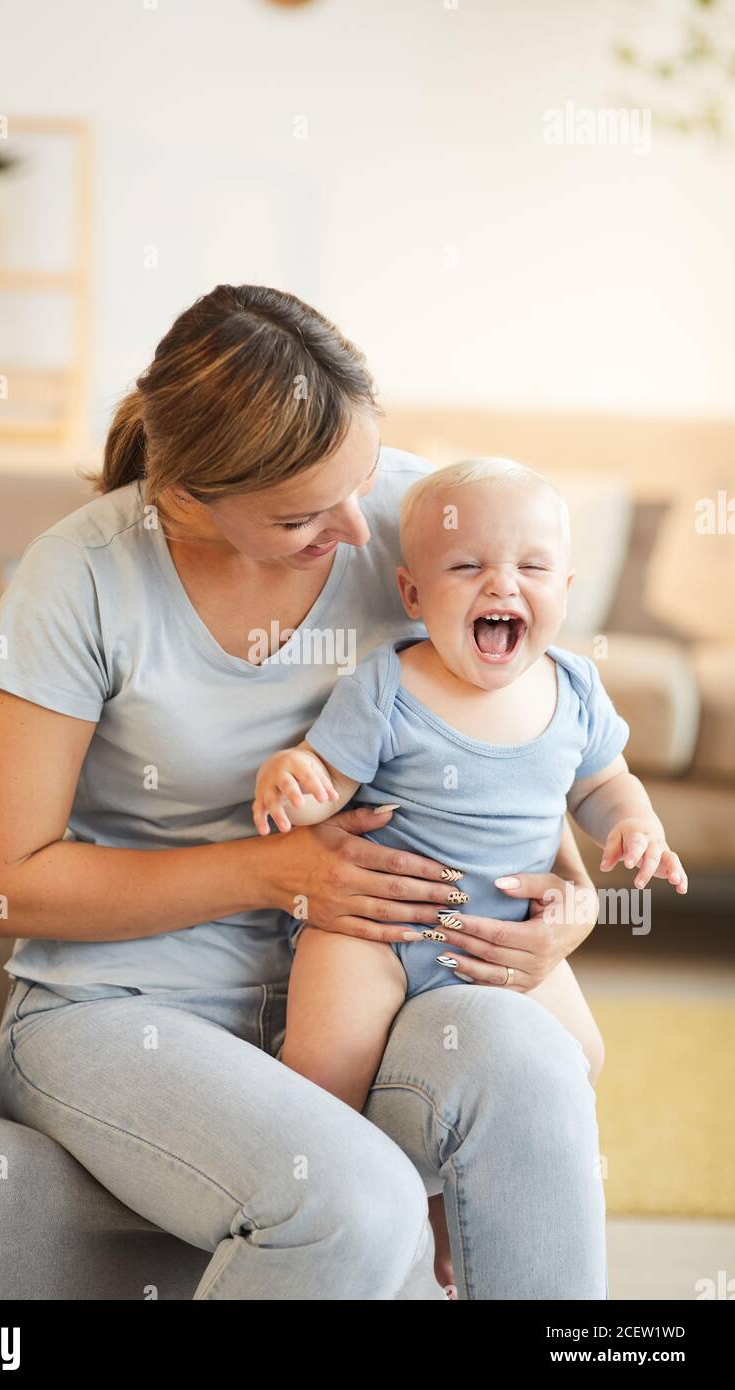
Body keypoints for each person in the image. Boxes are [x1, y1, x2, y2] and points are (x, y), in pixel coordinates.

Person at [0, 284, 607, 1299]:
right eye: (301, 513)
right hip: (123, 1008)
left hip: (385, 983)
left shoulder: (416, 520)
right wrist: (274, 873)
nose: (356, 525)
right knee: (348, 1199)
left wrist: (569, 903)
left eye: (361, 473)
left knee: (526, 1056)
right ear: (184, 499)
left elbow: (525, 745)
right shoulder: (80, 576)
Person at [253, 455, 688, 1285]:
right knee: (325, 1068)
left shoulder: (577, 690)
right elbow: (328, 780)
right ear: (414, 596)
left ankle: (459, 1204)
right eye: (466, 566)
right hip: (376, 931)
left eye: (530, 567)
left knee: (579, 1058)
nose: (502, 585)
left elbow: (602, 783)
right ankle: (362, 1207)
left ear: (565, 583)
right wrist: (293, 783)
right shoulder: (387, 684)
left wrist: (633, 825)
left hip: (503, 942)